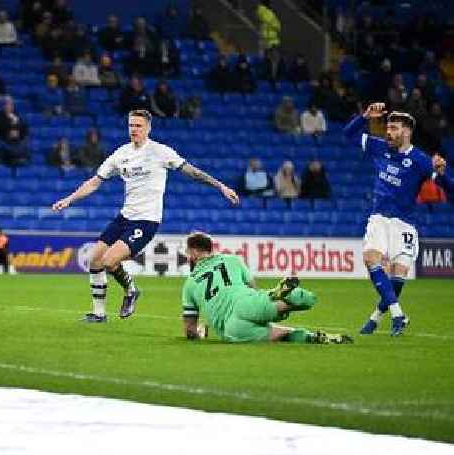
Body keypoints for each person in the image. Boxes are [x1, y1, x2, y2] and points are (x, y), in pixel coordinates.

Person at [51, 110, 239, 323]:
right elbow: (95, 181)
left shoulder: (160, 152)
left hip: (146, 220)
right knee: (94, 258)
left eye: (139, 126)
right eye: (131, 125)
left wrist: (221, 186)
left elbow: (192, 172)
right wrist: (70, 199)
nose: (134, 130)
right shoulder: (120, 154)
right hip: (124, 217)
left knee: (110, 260)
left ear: (148, 128)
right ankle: (99, 313)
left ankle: (131, 290)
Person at [343, 103, 434, 336]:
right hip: (379, 218)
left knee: (397, 277)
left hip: (404, 223)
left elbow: (443, 182)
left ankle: (375, 318)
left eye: (394, 128)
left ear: (407, 131)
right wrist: (365, 117)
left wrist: (442, 172)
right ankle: (398, 315)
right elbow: (348, 135)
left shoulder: (421, 160)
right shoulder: (379, 147)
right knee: (370, 258)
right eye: (388, 127)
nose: (388, 132)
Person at [181, 232, 352, 344]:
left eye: (188, 253)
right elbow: (252, 287)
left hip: (231, 329)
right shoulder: (232, 260)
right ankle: (284, 297)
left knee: (281, 335)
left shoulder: (189, 283)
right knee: (293, 300)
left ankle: (312, 337)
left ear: (195, 253)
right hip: (247, 302)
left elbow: (189, 330)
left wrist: (198, 334)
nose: (188, 256)